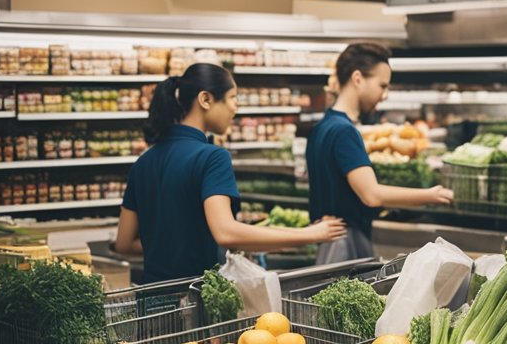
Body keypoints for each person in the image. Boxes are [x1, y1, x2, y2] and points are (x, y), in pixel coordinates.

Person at [114, 63, 346, 283]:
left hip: (152, 299)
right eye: (233, 98)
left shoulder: (143, 163)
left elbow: (123, 243)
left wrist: (173, 243)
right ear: (205, 99)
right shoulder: (211, 157)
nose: (235, 108)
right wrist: (309, 235)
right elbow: (226, 232)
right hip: (197, 299)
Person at [307, 42, 453, 263]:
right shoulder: (344, 131)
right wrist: (430, 195)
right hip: (347, 245)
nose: (384, 95)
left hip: (328, 244)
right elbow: (372, 194)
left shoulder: (322, 127)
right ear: (358, 79)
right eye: (382, 85)